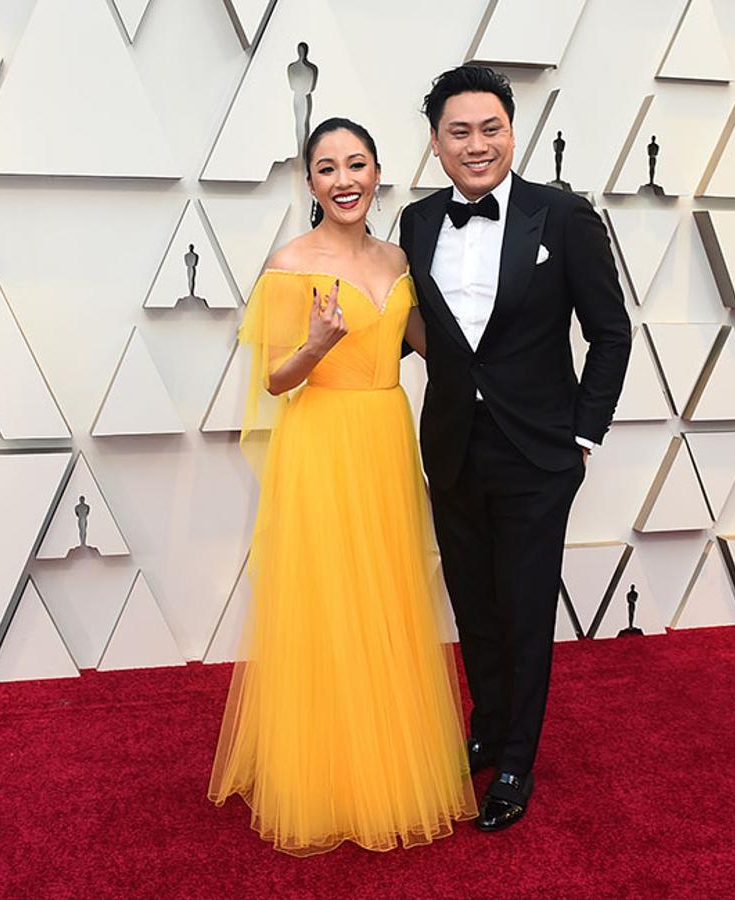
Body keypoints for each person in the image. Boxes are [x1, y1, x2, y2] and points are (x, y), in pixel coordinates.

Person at [209, 118, 477, 855]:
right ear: (309, 183)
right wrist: (315, 345)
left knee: (386, 592)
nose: (343, 179)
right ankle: (328, 773)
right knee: (330, 600)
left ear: (378, 172)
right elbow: (271, 378)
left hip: (386, 436)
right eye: (326, 168)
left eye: (355, 164)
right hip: (323, 442)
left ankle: (389, 755)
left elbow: (428, 343)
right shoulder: (291, 264)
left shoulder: (398, 257)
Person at [398, 65, 632, 831]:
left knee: (525, 610)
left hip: (538, 454)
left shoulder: (562, 217)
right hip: (452, 446)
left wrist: (582, 436)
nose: (477, 144)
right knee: (473, 601)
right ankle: (487, 725)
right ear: (435, 144)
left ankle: (516, 763)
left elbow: (609, 333)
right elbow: (429, 335)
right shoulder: (417, 222)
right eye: (458, 132)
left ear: (512, 131)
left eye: (489, 128)